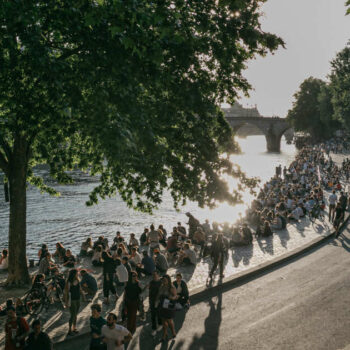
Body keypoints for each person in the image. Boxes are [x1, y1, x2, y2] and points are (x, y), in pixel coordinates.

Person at [64, 269, 85, 335]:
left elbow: (80, 289)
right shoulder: (69, 282)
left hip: (78, 298)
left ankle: (74, 328)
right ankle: (69, 330)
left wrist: (83, 297)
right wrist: (66, 302)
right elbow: (66, 292)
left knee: (75, 314)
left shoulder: (78, 280)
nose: (78, 274)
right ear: (73, 274)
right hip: (72, 300)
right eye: (77, 273)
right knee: (72, 315)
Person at [157, 275, 177, 341]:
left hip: (169, 306)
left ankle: (173, 332)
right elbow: (159, 295)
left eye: (165, 280)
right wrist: (156, 301)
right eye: (163, 280)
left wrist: (171, 298)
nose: (164, 281)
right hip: (162, 306)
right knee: (163, 321)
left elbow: (175, 296)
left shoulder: (171, 287)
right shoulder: (162, 286)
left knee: (169, 320)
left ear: (168, 280)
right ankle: (164, 335)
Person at [148, 271, 162, 336]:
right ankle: (154, 328)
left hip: (159, 301)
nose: (154, 276)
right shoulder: (151, 282)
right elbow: (150, 293)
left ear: (158, 275)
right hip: (152, 301)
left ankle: (160, 324)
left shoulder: (161, 282)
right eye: (153, 275)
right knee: (153, 316)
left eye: (156, 275)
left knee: (159, 314)